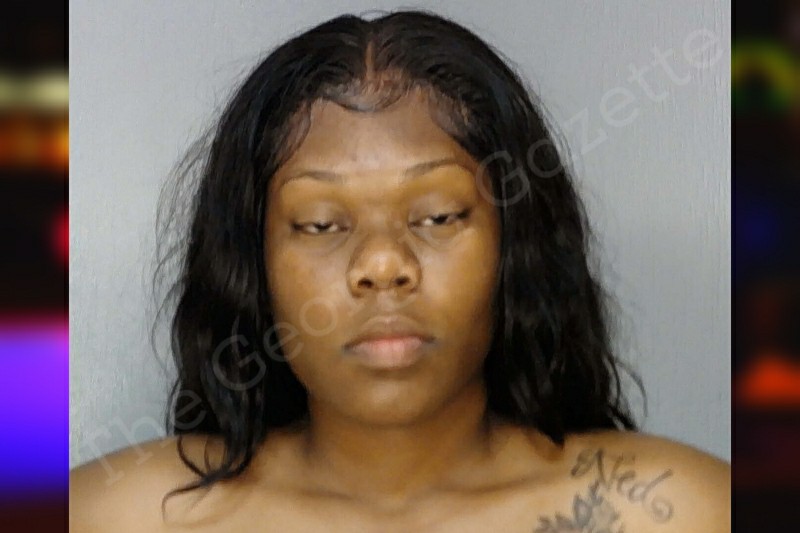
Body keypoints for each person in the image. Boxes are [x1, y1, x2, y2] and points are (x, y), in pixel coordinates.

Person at [70, 9, 730, 532]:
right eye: (320, 224)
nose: (383, 266)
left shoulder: (682, 514)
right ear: (252, 260)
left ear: (516, 244)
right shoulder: (112, 516)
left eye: (439, 216)